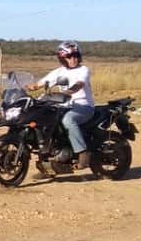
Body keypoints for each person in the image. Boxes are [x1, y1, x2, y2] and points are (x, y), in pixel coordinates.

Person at [25, 41, 95, 169]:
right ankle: (49, 156)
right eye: (69, 57)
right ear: (62, 58)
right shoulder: (59, 72)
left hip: (83, 106)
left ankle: (82, 153)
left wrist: (69, 91)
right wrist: (28, 87)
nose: (73, 59)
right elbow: (40, 83)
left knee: (68, 120)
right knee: (43, 119)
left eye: (75, 55)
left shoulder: (83, 70)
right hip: (63, 105)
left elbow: (80, 83)